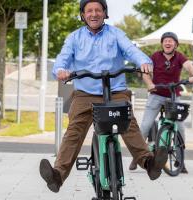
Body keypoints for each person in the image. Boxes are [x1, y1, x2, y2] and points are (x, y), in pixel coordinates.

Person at [39, 0, 168, 193]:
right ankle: (57, 176)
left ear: (104, 13)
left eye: (98, 10)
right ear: (83, 15)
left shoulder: (116, 34)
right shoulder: (74, 38)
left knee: (128, 123)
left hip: (115, 91)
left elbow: (132, 51)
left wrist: (143, 62)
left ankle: (149, 163)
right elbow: (62, 59)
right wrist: (60, 71)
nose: (93, 14)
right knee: (74, 131)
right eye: (89, 10)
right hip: (85, 93)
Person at [128, 32, 193, 173]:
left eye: (171, 41)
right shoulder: (155, 56)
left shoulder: (180, 57)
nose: (168, 43)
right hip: (156, 94)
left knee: (180, 128)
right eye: (165, 41)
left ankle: (180, 160)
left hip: (173, 96)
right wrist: (149, 84)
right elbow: (145, 73)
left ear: (176, 44)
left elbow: (190, 67)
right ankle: (137, 157)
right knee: (145, 126)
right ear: (162, 44)